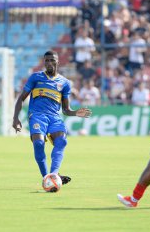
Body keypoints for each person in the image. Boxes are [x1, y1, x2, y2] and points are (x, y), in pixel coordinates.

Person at [12, 50, 92, 188]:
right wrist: (15, 118)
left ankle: (53, 175)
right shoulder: (35, 77)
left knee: (61, 141)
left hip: (55, 117)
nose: (49, 63)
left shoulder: (65, 83)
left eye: (52, 60)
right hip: (37, 115)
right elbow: (21, 98)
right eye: (46, 60)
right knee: (38, 144)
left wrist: (75, 113)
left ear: (57, 61)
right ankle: (47, 177)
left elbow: (66, 110)